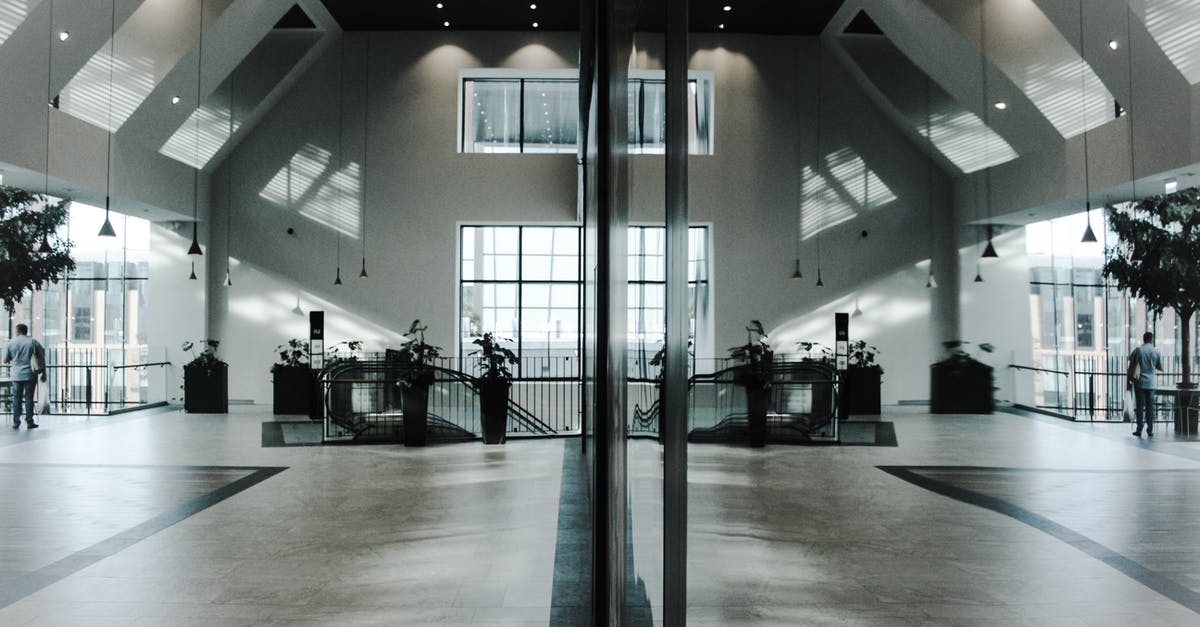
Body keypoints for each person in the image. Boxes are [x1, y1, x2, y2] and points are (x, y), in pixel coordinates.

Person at [4, 323, 46, 430]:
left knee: (16, 399)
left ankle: (16, 422)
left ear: (17, 331)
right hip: (30, 374)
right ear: (26, 331)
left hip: (16, 375)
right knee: (29, 398)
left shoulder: (11, 343)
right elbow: (42, 354)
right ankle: (29, 422)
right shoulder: (32, 342)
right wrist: (43, 372)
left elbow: (5, 360)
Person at [1128, 331, 1164, 437]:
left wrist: (1129, 381)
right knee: (1150, 407)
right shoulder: (1156, 351)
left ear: (1143, 339)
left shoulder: (1138, 350)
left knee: (1140, 406)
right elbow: (1160, 367)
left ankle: (1139, 429)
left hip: (1140, 382)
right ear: (1151, 339)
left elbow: (1131, 367)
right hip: (1151, 383)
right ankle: (1150, 430)